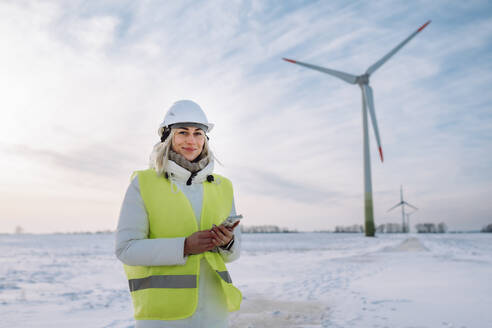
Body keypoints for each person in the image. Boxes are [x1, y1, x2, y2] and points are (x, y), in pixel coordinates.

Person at [115, 100, 242, 327]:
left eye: (198, 133)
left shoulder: (224, 186)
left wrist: (227, 243)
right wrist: (184, 246)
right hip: (163, 317)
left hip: (214, 313)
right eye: (182, 132)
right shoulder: (143, 183)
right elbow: (126, 249)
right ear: (167, 137)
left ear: (206, 139)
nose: (191, 140)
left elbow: (233, 255)